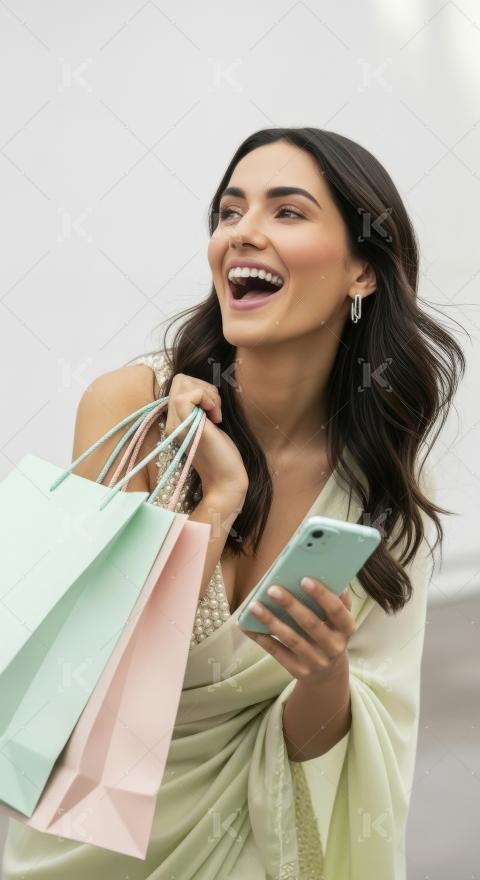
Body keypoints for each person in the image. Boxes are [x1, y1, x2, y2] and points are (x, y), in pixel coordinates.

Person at [2, 128, 465, 879]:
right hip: (88, 853)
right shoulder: (135, 412)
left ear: (361, 272)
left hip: (261, 853)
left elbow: (340, 746)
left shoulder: (386, 477)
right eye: (229, 211)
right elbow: (93, 694)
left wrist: (324, 676)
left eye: (287, 212)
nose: (242, 232)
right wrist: (217, 503)